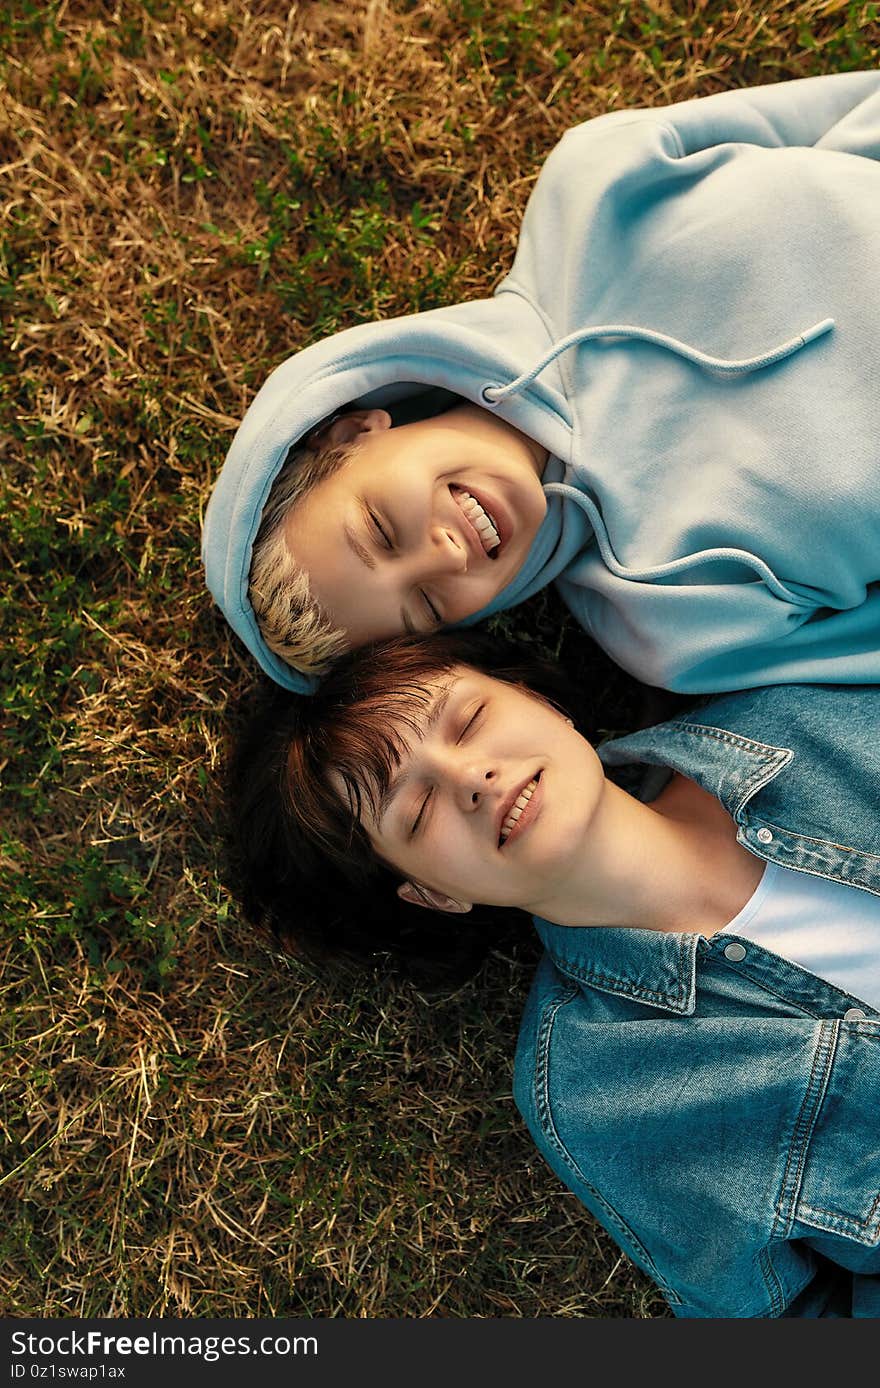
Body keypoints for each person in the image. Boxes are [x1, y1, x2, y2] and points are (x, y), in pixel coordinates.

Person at [229, 632, 880, 1317]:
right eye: (417, 813)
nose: (470, 778)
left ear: (538, 700)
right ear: (433, 894)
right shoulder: (598, 1092)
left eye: (469, 721)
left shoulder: (795, 717)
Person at [204, 72, 880, 695]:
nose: (441, 555)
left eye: (381, 529)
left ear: (351, 431)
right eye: (427, 608)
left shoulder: (594, 186)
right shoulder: (678, 629)